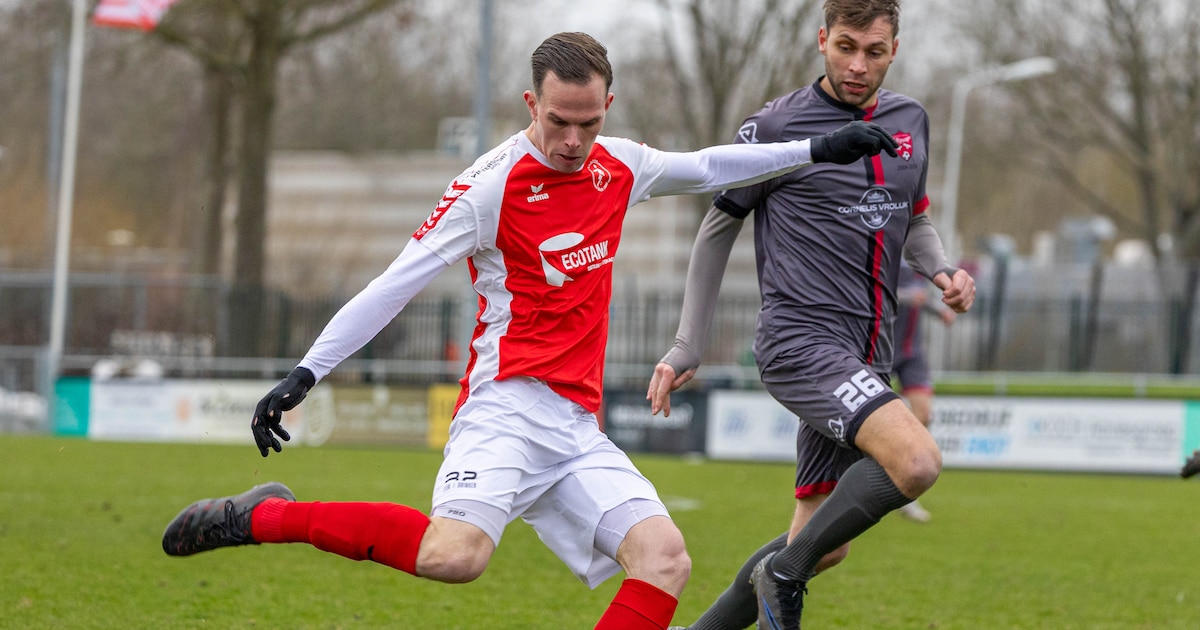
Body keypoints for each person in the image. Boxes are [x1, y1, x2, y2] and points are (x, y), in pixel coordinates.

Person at [160, 32, 898, 630]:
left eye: (590, 121)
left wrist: (813, 150)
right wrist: (304, 374)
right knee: (457, 557)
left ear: (608, 105)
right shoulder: (490, 187)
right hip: (504, 407)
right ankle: (268, 516)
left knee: (665, 560)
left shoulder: (620, 164)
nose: (574, 140)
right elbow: (395, 284)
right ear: (530, 103)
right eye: (558, 121)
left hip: (575, 425)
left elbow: (707, 166)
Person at [646, 1, 976, 628]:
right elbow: (717, 229)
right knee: (916, 461)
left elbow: (914, 216)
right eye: (845, 47)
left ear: (894, 51)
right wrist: (689, 342)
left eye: (873, 52)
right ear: (822, 39)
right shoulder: (779, 126)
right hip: (801, 343)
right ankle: (783, 575)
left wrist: (941, 272)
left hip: (868, 353)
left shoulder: (912, 120)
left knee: (824, 544)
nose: (857, 65)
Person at [892, 260, 956, 523]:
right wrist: (907, 297)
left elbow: (921, 295)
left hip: (912, 353)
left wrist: (939, 311)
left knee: (924, 415)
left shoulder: (920, 259)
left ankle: (908, 494)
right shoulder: (883, 248)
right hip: (880, 348)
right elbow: (869, 292)